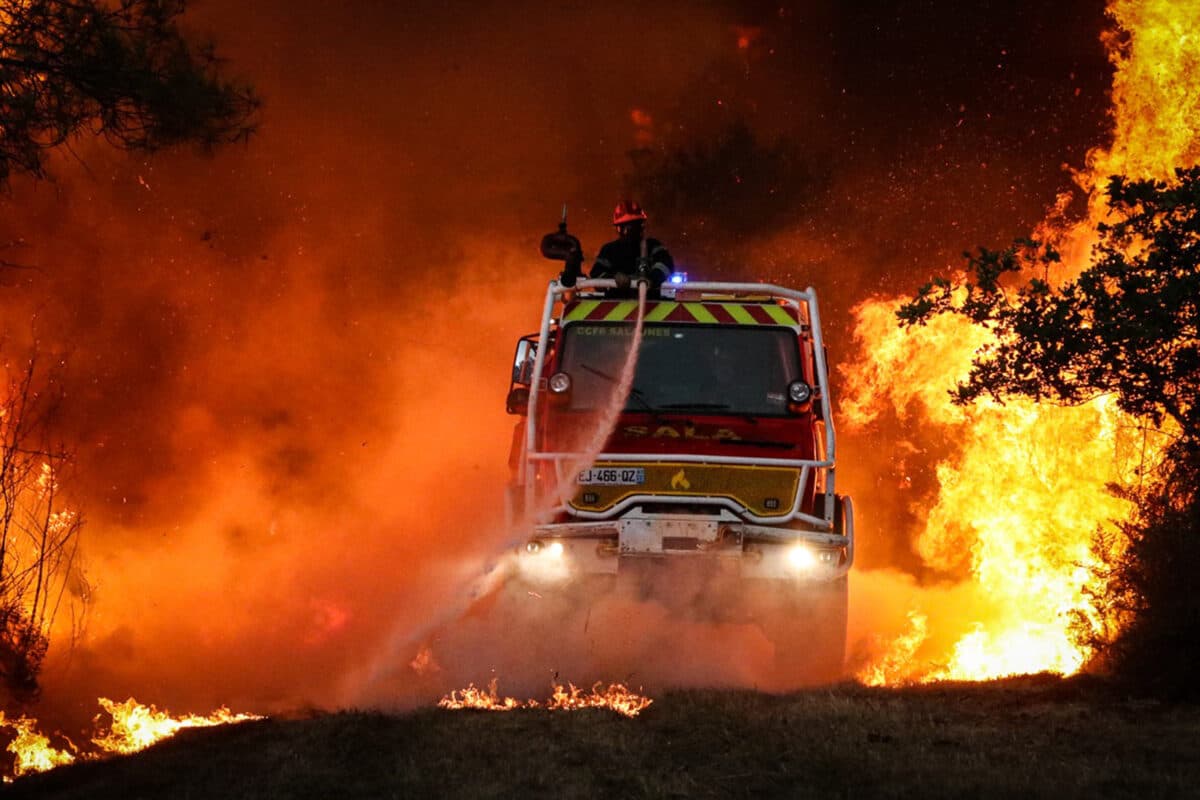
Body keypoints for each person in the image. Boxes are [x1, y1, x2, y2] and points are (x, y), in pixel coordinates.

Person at [591, 201, 674, 289]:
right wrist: (613, 277)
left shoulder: (653, 246)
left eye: (634, 226)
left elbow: (666, 265)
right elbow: (596, 274)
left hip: (650, 299)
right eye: (625, 227)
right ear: (618, 229)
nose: (629, 231)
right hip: (617, 299)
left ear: (641, 226)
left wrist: (652, 278)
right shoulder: (609, 250)